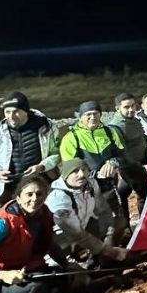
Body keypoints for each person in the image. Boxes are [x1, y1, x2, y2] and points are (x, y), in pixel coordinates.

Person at [0, 92, 61, 244]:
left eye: (16, 112)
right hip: (6, 187)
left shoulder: (46, 128)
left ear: (25, 110)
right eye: (7, 112)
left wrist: (41, 166)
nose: (11, 116)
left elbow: (56, 155)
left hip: (40, 185)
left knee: (52, 226)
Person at [58, 101, 126, 244]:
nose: (92, 117)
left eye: (96, 113)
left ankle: (115, 246)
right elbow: (70, 169)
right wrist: (93, 174)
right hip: (86, 191)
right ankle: (94, 254)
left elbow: (121, 154)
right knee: (91, 223)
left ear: (101, 115)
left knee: (117, 219)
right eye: (88, 114)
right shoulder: (71, 138)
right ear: (80, 117)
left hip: (109, 186)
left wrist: (113, 162)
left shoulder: (109, 132)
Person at [46, 159, 128, 262]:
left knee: (119, 222)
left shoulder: (91, 184)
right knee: (75, 269)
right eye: (75, 171)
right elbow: (75, 233)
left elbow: (103, 211)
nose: (81, 174)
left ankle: (98, 257)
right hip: (61, 240)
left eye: (84, 169)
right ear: (65, 175)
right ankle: (71, 260)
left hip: (83, 228)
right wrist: (107, 250)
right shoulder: (58, 197)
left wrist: (108, 236)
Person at [106, 93, 147, 231]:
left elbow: (142, 140)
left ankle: (126, 224)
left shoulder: (134, 120)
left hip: (141, 164)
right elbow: (123, 153)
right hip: (131, 168)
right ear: (117, 108)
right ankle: (143, 227)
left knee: (122, 193)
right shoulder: (116, 127)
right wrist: (141, 167)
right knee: (145, 196)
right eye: (126, 107)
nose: (131, 109)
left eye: (133, 106)